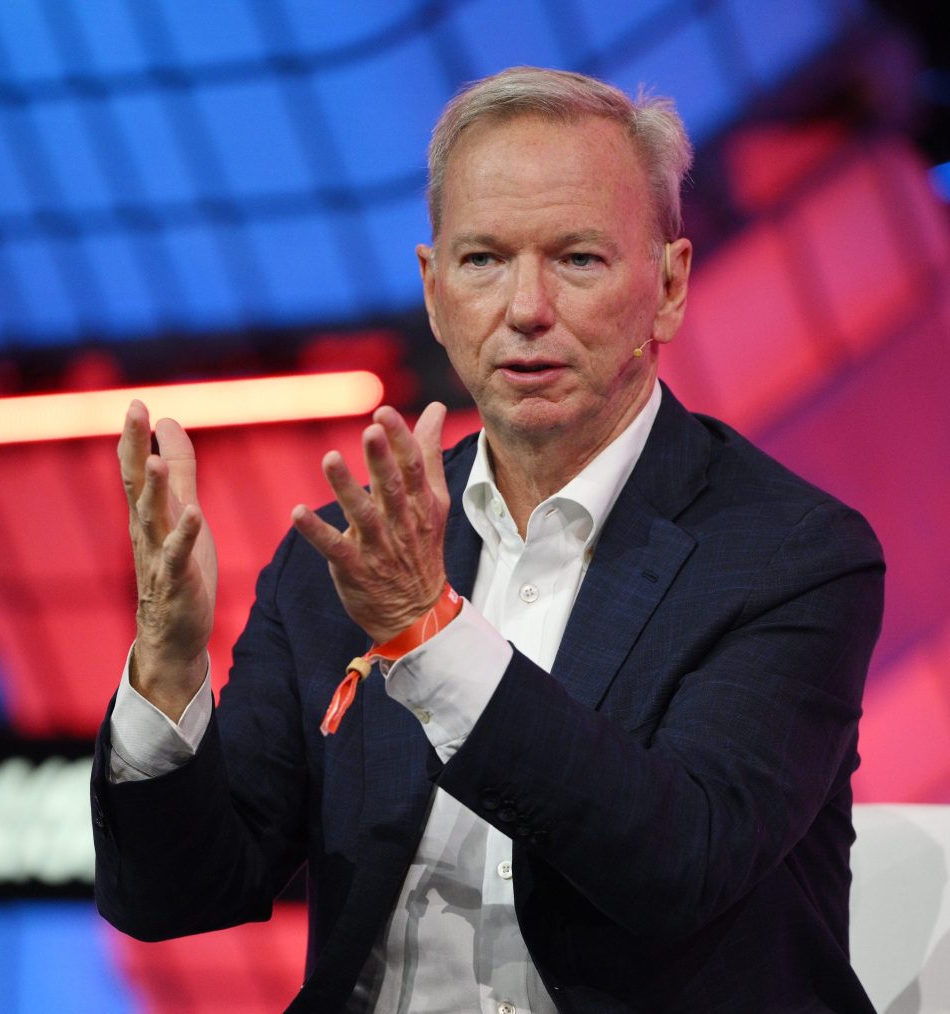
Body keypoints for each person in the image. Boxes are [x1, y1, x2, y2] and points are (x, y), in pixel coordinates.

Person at [91, 66, 885, 1013]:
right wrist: (168, 667)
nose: (525, 308)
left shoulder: (791, 555)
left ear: (669, 285)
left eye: (579, 259)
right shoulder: (341, 559)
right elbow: (177, 893)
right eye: (483, 261)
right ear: (433, 291)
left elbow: (679, 864)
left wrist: (428, 638)